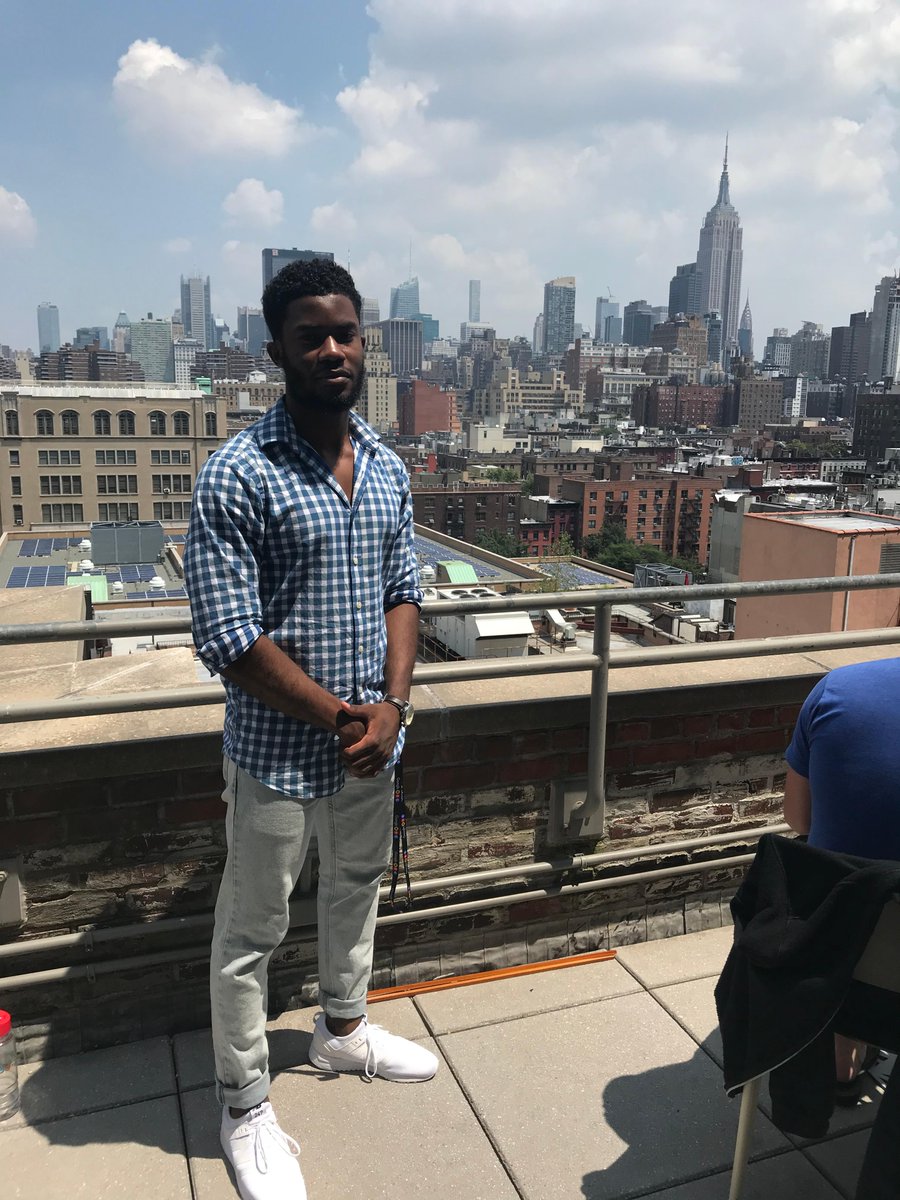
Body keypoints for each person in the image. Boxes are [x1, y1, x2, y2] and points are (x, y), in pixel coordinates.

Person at [184, 258, 437, 1200]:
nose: (332, 350)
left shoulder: (381, 461)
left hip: (375, 744)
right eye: (310, 336)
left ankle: (339, 1033)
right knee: (251, 928)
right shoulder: (237, 474)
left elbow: (406, 590)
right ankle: (244, 1101)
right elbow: (229, 637)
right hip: (278, 755)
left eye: (345, 332)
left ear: (363, 338)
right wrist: (343, 715)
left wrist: (394, 706)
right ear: (276, 350)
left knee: (357, 889)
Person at [783, 657, 900, 1103]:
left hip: (843, 958)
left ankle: (842, 1062)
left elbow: (798, 818)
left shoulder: (839, 690)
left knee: (856, 879)